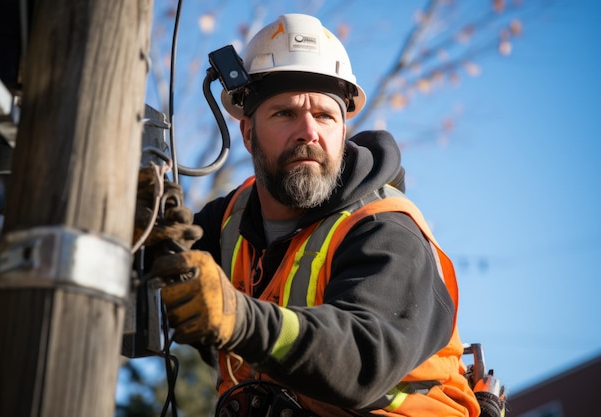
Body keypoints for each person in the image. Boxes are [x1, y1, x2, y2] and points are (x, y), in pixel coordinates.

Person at [137, 13, 481, 417]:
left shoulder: (385, 227)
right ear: (247, 133)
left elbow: (363, 358)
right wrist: (140, 229)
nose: (308, 131)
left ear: (342, 132)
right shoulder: (230, 220)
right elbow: (166, 284)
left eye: (324, 115)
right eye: (284, 113)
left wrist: (241, 319)